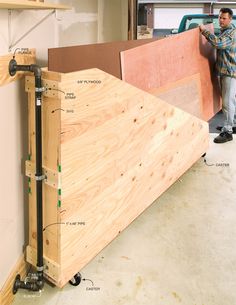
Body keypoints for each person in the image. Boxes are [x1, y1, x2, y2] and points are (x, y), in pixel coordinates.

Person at [199, 7, 236, 143]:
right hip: (225, 71)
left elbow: (218, 43)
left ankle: (228, 132)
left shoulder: (230, 33)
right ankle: (232, 124)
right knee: (230, 100)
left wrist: (205, 32)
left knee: (227, 102)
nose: (220, 20)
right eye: (219, 17)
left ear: (230, 19)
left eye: (224, 18)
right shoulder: (224, 31)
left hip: (230, 72)